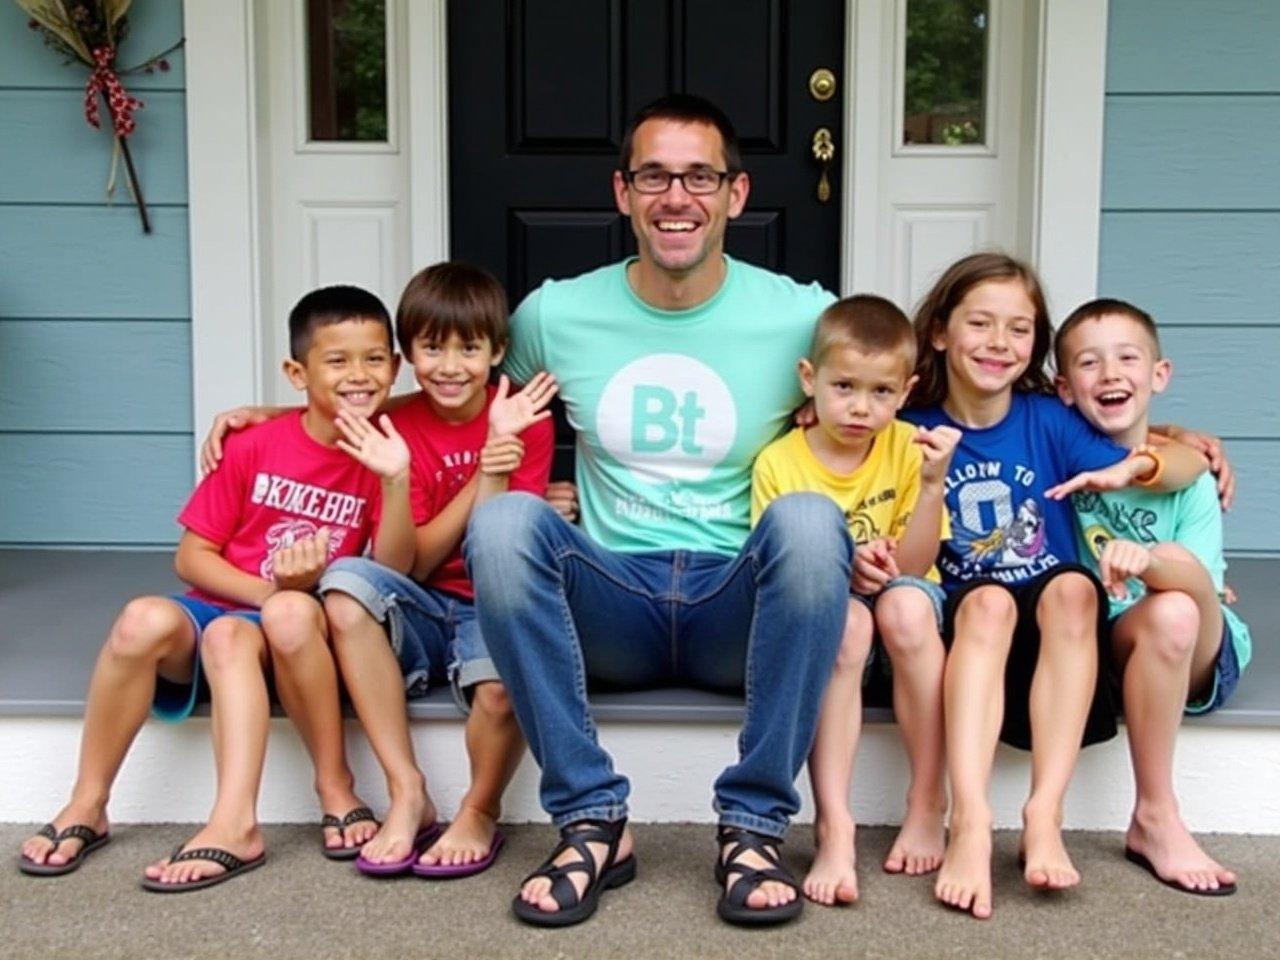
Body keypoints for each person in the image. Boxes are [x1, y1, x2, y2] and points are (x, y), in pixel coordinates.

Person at [462, 93, 850, 928]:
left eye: (700, 176)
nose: (677, 197)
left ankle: (752, 826)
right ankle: (591, 817)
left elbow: (911, 396)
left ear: (735, 196)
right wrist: (286, 420)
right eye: (655, 177)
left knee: (812, 524)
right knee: (502, 526)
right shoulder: (554, 313)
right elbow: (456, 398)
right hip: (612, 603)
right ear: (623, 192)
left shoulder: (803, 316)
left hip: (734, 606)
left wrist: (1152, 440)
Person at [19, 286, 405, 890]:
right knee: (138, 620)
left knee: (237, 635)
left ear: (395, 366)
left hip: (296, 632)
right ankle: (88, 803)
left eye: (375, 358)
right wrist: (272, 586)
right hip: (240, 602)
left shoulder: (387, 452)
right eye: (338, 360)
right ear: (296, 372)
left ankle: (269, 811)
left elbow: (394, 559)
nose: (359, 374)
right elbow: (192, 557)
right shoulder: (253, 445)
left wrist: (294, 594)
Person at [899, 253, 1209, 919]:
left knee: (1073, 588)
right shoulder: (909, 427)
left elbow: (1179, 464)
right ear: (941, 332)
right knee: (984, 600)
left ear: (1036, 343)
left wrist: (1157, 456)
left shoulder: (1049, 420)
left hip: (1061, 644)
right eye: (980, 323)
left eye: (1019, 329)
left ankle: (1046, 813)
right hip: (970, 641)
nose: (998, 343)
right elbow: (903, 556)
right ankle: (972, 822)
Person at [316, 262, 557, 879]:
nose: (450, 367)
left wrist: (499, 468)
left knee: (502, 689)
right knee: (344, 586)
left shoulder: (523, 421)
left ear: (498, 351)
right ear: (407, 355)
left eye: (469, 348)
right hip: (421, 600)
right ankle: (407, 790)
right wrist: (476, 471)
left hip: (492, 601)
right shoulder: (393, 424)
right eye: (431, 348)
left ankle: (479, 809)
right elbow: (406, 563)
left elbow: (499, 548)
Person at [750, 295, 959, 906]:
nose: (861, 408)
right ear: (809, 380)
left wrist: (929, 487)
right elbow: (781, 572)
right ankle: (834, 823)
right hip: (836, 623)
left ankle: (926, 799)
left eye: (881, 393)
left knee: (906, 606)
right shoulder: (779, 462)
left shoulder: (907, 448)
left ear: (907, 390)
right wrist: (843, 565)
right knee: (844, 625)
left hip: (901, 614)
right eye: (844, 387)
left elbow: (917, 567)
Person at [1054, 298, 1249, 895]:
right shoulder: (1064, 465)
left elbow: (1199, 591)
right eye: (1089, 363)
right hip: (1108, 641)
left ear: (1159, 375)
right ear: (1064, 388)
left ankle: (1156, 813)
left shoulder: (1188, 479)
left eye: (1128, 358)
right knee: (1158, 610)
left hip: (1196, 645)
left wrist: (1153, 562)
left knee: (1174, 606)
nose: (1110, 374)